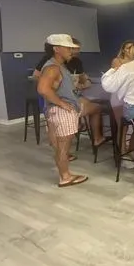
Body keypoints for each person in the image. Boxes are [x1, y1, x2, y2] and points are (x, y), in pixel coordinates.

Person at [36, 34, 88, 187]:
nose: (71, 50)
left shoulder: (58, 65)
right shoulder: (52, 67)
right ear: (56, 49)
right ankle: (65, 177)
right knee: (63, 148)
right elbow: (42, 89)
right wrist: (62, 104)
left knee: (61, 147)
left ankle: (64, 175)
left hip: (57, 111)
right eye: (68, 47)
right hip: (62, 112)